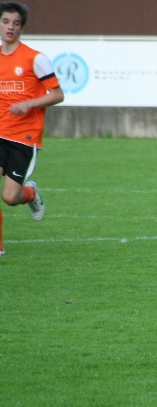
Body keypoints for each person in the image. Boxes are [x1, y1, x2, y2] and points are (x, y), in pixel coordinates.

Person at [0, 1, 63, 257]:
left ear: (21, 28)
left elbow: (57, 94)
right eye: (5, 21)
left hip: (24, 138)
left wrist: (29, 104)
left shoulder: (35, 59)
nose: (10, 27)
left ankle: (31, 193)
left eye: (16, 23)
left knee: (9, 197)